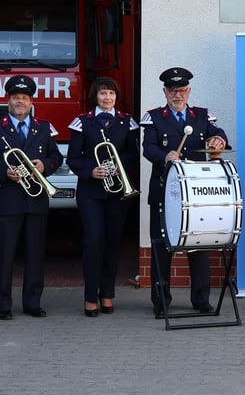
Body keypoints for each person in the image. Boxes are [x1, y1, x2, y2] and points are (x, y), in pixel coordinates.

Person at [0, 75, 63, 320]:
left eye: (24, 98)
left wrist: (44, 165)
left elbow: (56, 157)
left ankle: (33, 303)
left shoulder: (44, 128)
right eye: (15, 98)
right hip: (6, 201)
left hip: (36, 201)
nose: (20, 102)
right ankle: (2, 305)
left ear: (31, 101)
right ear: (8, 101)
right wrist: (4, 171)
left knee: (35, 256)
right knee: (3, 256)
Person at [141, 67, 227, 318]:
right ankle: (161, 301)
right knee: (161, 246)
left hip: (196, 193)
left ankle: (201, 299)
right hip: (164, 192)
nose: (176, 95)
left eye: (181, 90)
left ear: (188, 91)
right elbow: (148, 148)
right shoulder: (154, 117)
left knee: (198, 245)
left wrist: (220, 140)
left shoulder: (201, 115)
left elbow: (217, 133)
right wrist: (164, 156)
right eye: (172, 90)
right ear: (165, 92)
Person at [66, 76, 140, 317]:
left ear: (116, 97)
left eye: (111, 93)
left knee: (112, 242)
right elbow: (73, 158)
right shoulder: (82, 122)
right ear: (95, 96)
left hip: (117, 191)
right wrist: (91, 170)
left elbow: (132, 154)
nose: (107, 98)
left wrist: (120, 165)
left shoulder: (127, 122)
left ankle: (107, 293)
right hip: (91, 192)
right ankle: (90, 296)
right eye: (103, 93)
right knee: (93, 240)